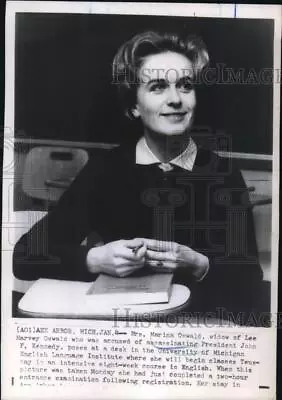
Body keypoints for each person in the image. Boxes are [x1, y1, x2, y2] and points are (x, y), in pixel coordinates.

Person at [13, 31, 266, 322]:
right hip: (121, 329)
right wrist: (94, 259)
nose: (175, 100)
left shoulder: (223, 174)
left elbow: (251, 290)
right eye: (158, 87)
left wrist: (199, 264)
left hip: (197, 331)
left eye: (185, 85)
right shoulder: (105, 170)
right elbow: (24, 256)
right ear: (133, 106)